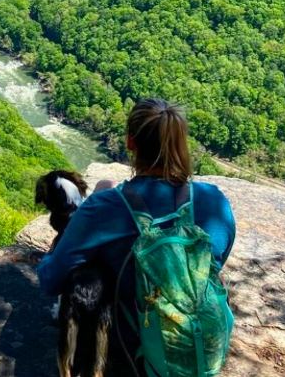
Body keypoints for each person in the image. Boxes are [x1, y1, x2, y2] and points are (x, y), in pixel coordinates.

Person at [37, 98, 236, 372]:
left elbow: (50, 280)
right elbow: (214, 263)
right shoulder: (215, 203)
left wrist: (50, 255)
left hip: (133, 349)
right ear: (180, 143)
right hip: (201, 344)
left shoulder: (103, 208)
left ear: (131, 143)